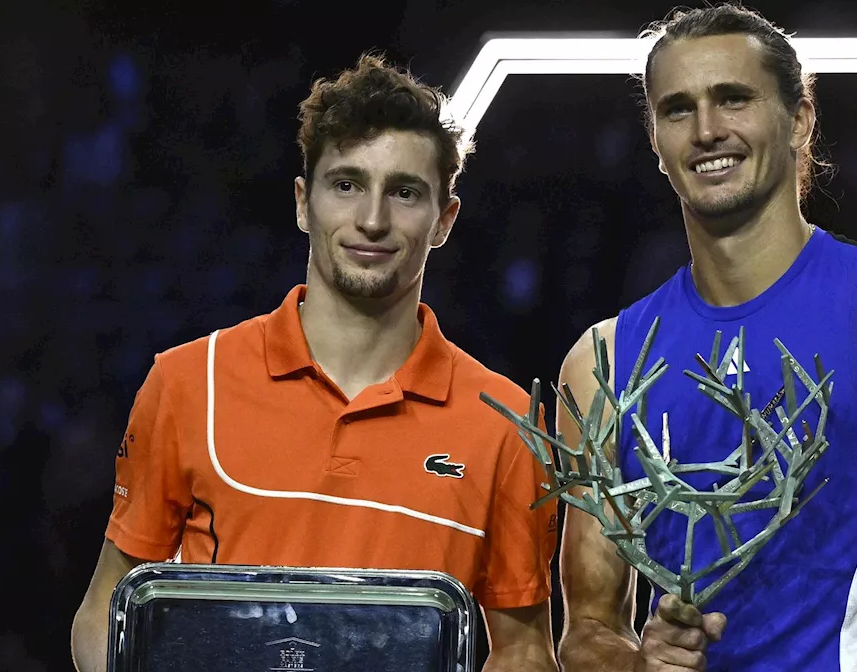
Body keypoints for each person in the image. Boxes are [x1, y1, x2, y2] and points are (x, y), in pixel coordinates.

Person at [555, 6, 857, 672]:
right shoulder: (603, 362)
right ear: (655, 140)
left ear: (799, 120)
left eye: (733, 99)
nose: (707, 130)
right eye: (678, 110)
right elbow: (588, 628)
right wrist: (636, 665)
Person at [70, 53, 559, 672]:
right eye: (347, 184)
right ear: (304, 202)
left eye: (404, 192)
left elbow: (523, 652)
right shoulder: (189, 381)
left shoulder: (508, 422)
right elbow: (105, 612)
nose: (373, 220)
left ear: (444, 220)